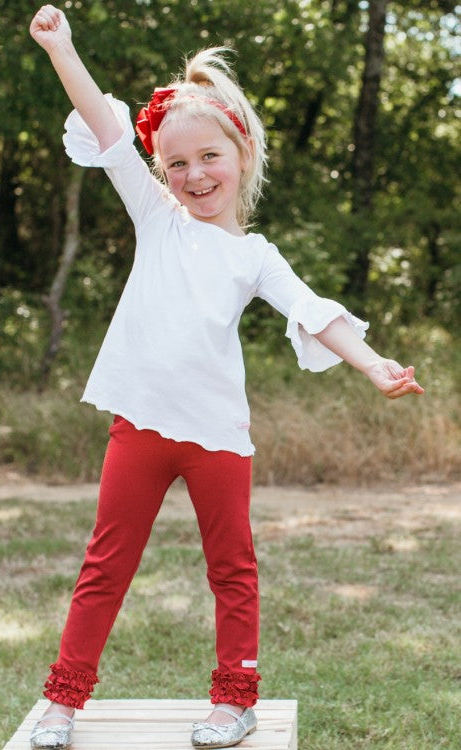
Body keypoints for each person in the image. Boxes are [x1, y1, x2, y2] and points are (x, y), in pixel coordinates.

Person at [28, 5, 424, 749]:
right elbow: (105, 128)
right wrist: (62, 49)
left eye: (207, 157)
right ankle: (61, 703)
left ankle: (233, 701)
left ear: (239, 152)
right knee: (104, 567)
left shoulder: (255, 256)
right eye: (175, 164)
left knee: (232, 571)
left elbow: (313, 312)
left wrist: (374, 367)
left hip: (216, 435)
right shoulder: (156, 217)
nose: (192, 175)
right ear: (160, 174)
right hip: (140, 425)